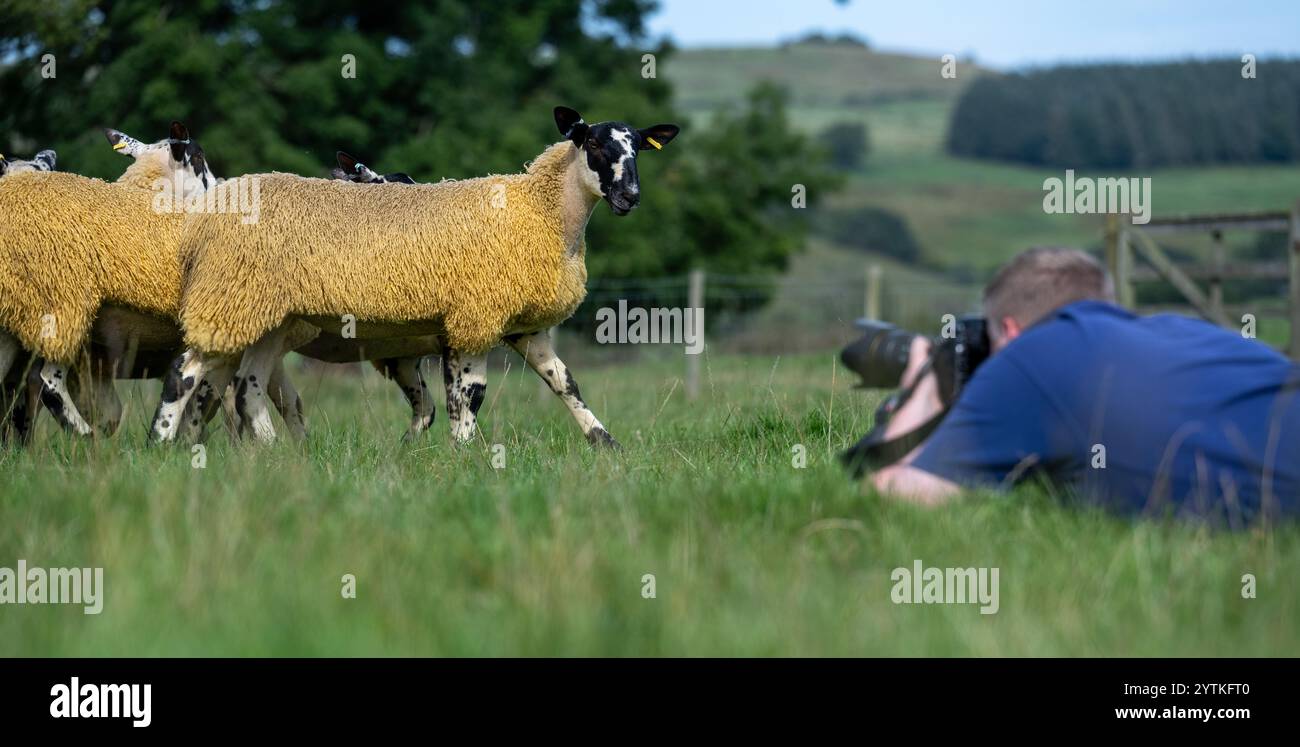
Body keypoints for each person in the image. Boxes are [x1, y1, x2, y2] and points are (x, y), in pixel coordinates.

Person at [872, 247, 1299, 522]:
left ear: (1010, 330)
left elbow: (895, 501)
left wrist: (923, 384)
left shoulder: (1031, 356)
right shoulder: (1183, 330)